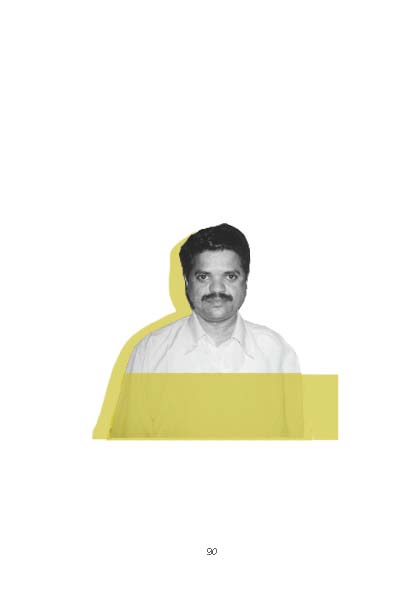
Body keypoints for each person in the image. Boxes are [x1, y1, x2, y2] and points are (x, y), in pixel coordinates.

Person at [126, 223, 300, 373]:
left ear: (245, 280)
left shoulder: (276, 353)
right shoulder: (150, 352)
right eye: (203, 277)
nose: (217, 288)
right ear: (187, 282)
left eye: (230, 276)